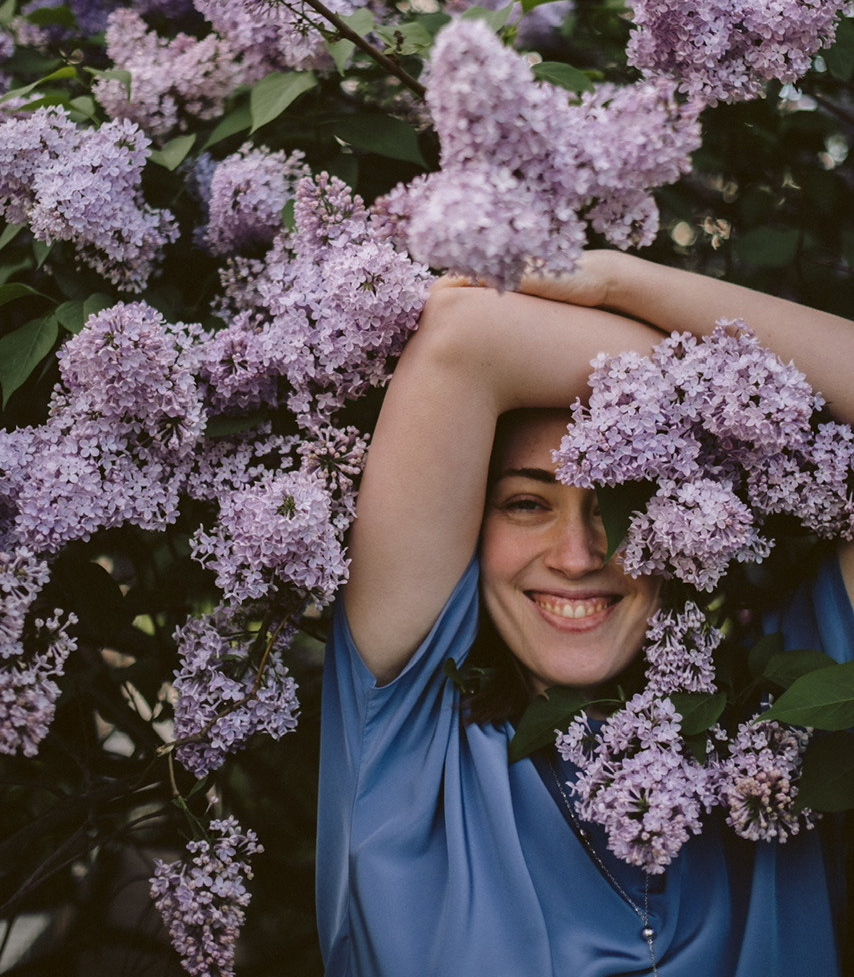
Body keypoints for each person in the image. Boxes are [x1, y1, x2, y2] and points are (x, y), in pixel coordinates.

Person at [316, 250, 854, 977]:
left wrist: (619, 281)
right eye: (528, 504)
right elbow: (465, 337)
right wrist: (738, 397)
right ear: (468, 528)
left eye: (618, 503)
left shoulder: (778, 723)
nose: (577, 556)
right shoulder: (407, 737)